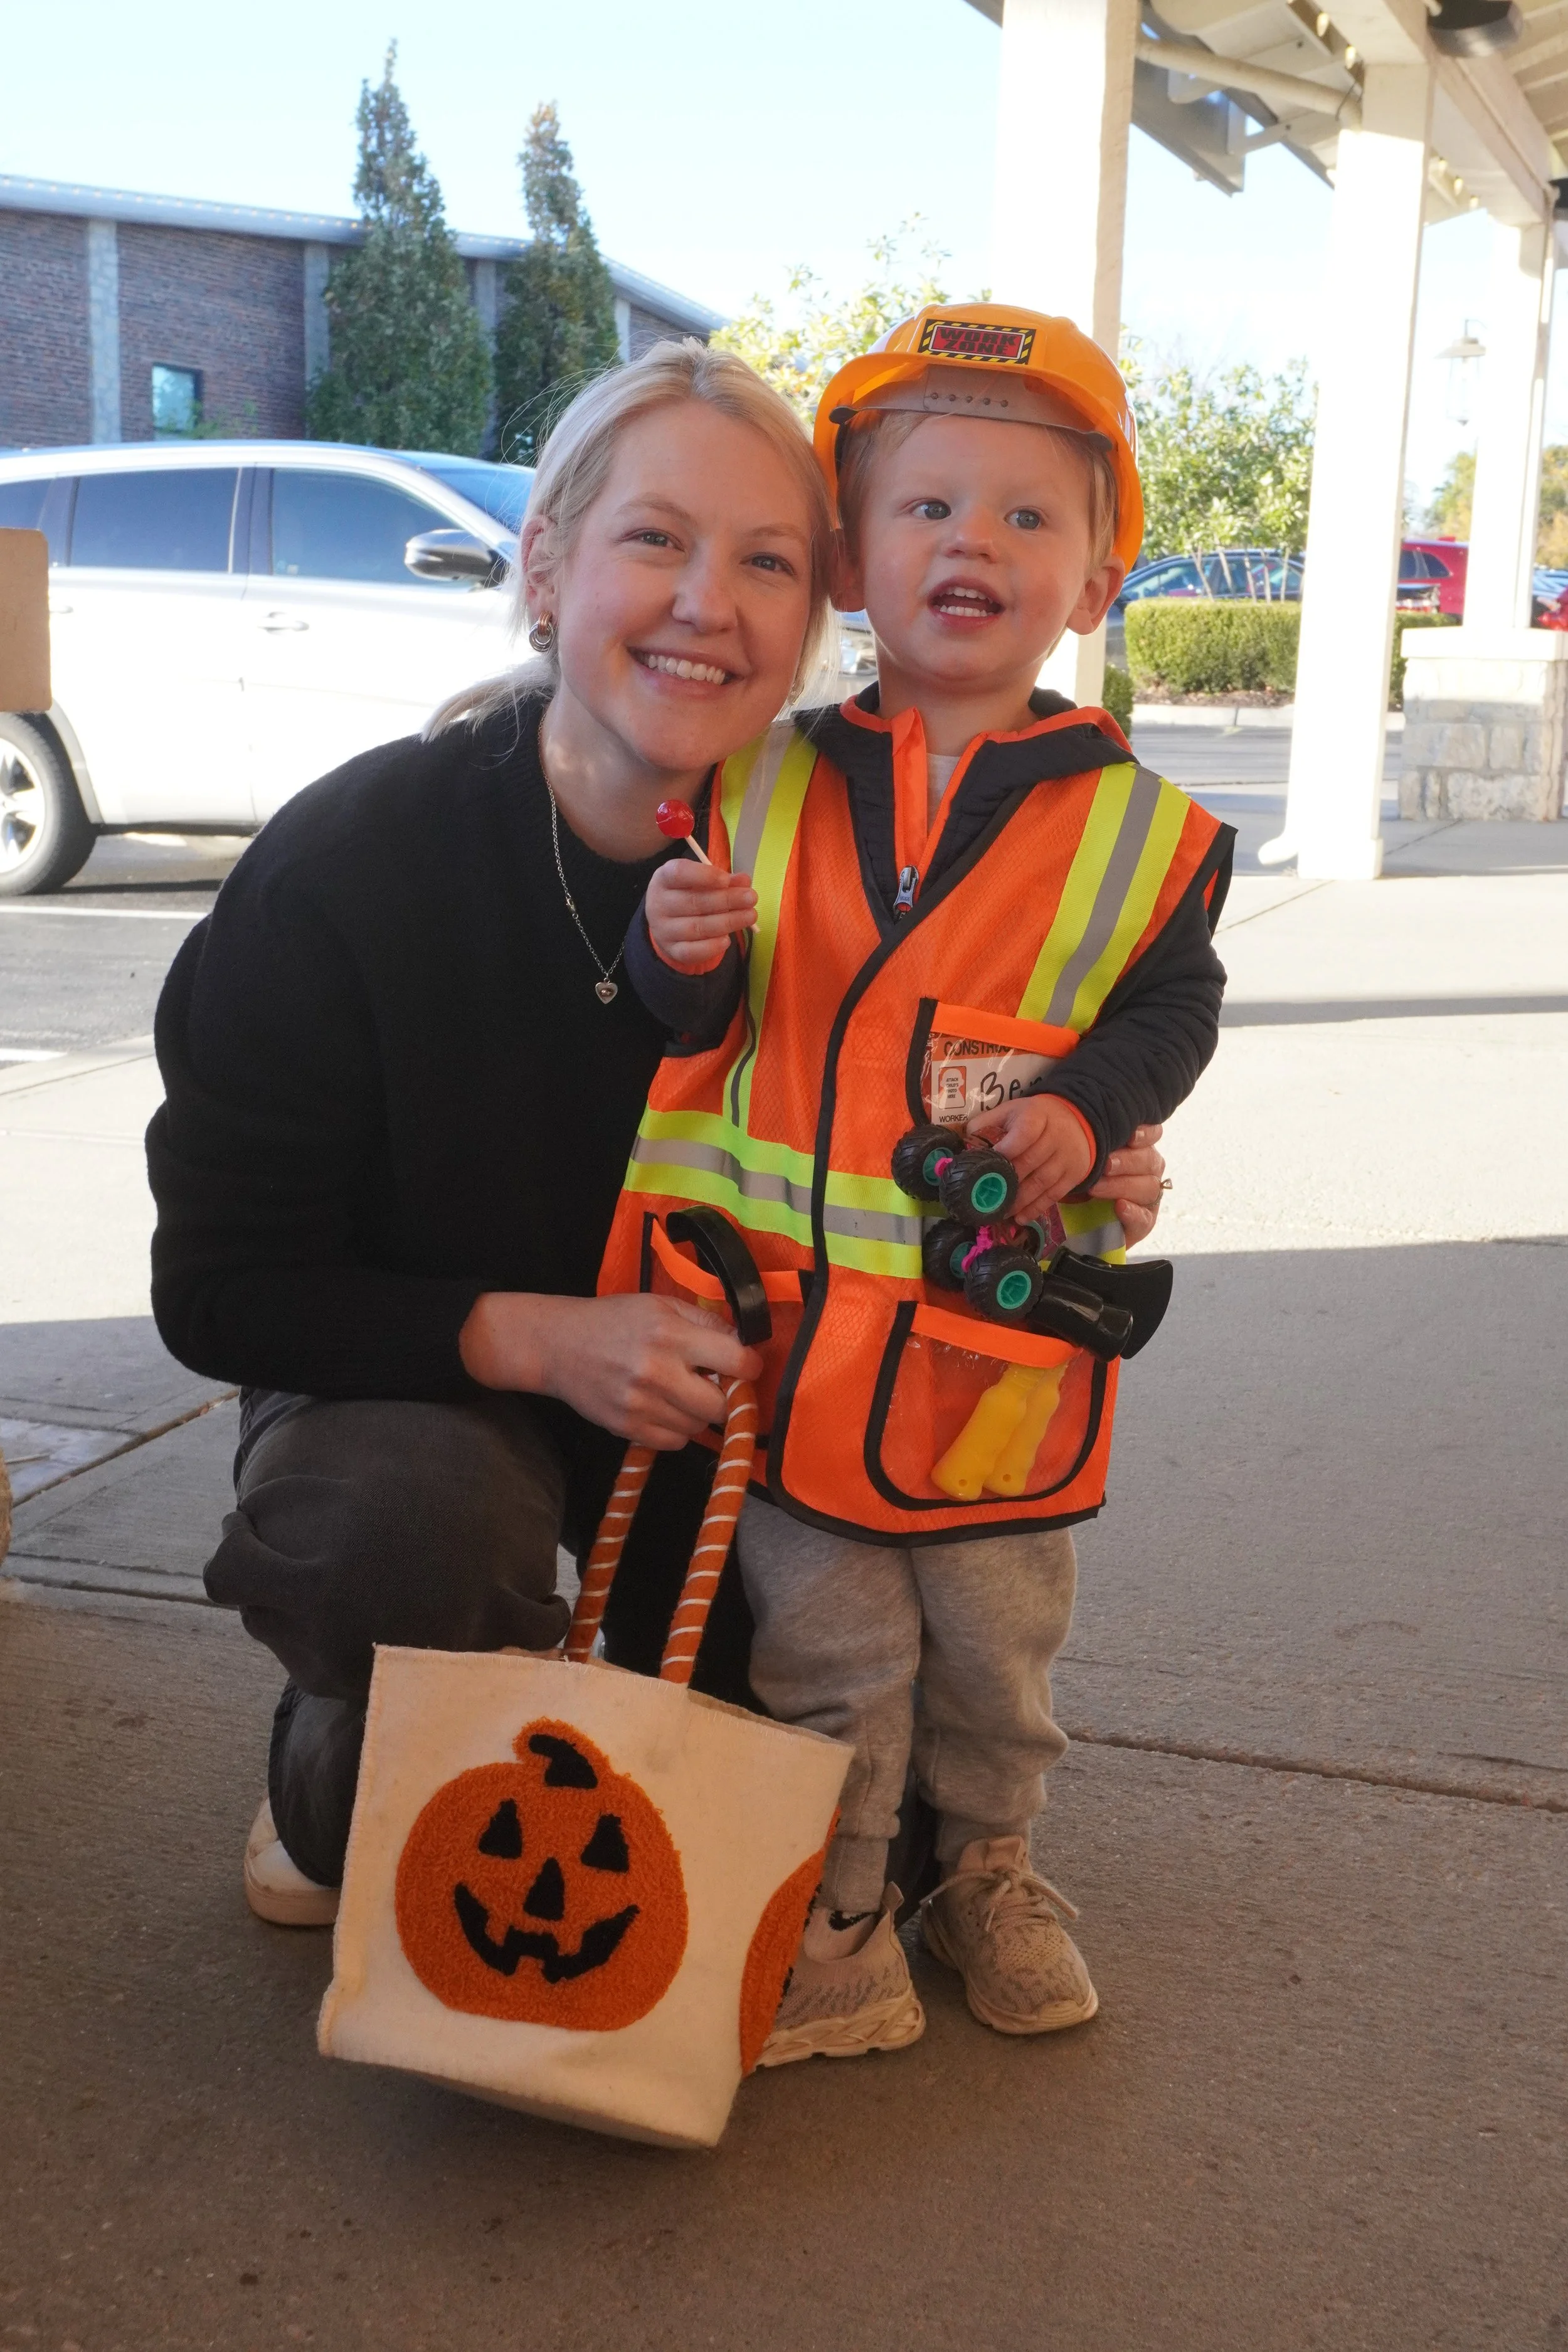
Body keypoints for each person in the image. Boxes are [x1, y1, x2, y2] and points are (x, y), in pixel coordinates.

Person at [146, 336, 1176, 1929]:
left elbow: (961, 1084)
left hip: (745, 1422)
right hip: (430, 1391)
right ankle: (338, 1740)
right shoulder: (353, 865)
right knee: (401, 1552)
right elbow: (220, 1289)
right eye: (653, 540)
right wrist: (540, 1339)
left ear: (817, 602)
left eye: (765, 559)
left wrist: (1060, 1153)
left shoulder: (864, 847)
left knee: (816, 1821)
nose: (709, 603)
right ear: (546, 567)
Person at [608, 305, 1232, 2064]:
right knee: (823, 1653)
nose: (974, 541)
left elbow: (1173, 1003)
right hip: (786, 1344)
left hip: (992, 1350)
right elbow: (692, 1022)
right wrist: (675, 958)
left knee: (995, 1650)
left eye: (1028, 517)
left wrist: (1093, 1099)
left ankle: (992, 1864)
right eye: (927, 507)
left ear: (1095, 578)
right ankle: (844, 1916)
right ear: (852, 563)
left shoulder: (1141, 826)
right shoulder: (746, 781)